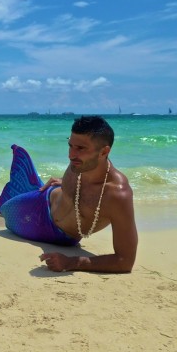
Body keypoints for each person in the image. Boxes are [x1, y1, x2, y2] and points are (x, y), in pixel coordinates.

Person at [38, 115, 138, 273]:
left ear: (104, 152)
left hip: (62, 237)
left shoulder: (117, 195)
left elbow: (125, 262)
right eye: (70, 146)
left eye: (80, 148)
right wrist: (64, 181)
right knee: (5, 206)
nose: (71, 155)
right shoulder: (79, 164)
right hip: (40, 202)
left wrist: (72, 262)